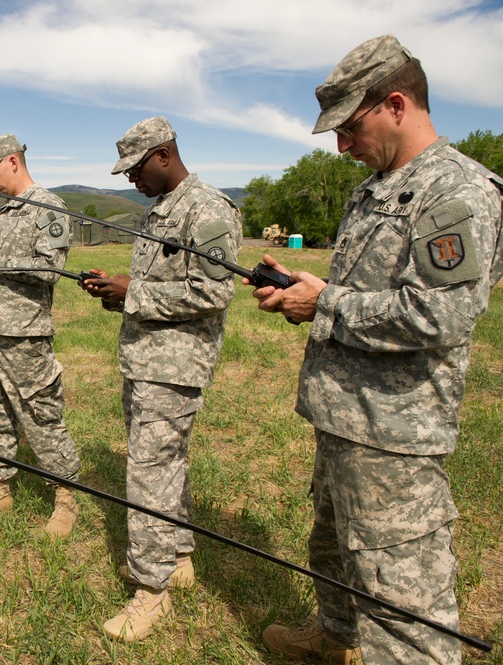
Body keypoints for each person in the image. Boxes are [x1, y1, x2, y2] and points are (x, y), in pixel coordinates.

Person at [251, 35, 503, 665]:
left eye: (348, 127)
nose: (340, 146)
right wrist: (305, 295)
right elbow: (368, 295)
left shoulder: (455, 193)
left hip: (395, 432)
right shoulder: (377, 187)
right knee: (333, 549)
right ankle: (335, 638)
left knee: (404, 601)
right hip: (344, 415)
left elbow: (439, 314)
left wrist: (326, 305)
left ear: (395, 104)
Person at [80, 117, 242, 642]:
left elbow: (213, 293)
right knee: (165, 464)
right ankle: (178, 556)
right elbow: (153, 288)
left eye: (136, 169)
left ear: (164, 154)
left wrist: (135, 293)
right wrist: (118, 292)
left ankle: (151, 593)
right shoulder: (157, 213)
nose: (131, 180)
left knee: (149, 473)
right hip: (147, 361)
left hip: (174, 369)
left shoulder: (209, 210)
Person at [0, 134, 82, 538]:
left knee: (40, 414)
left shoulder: (50, 208)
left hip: (25, 335)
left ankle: (66, 497)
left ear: (12, 161)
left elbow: (50, 269)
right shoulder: (0, 215)